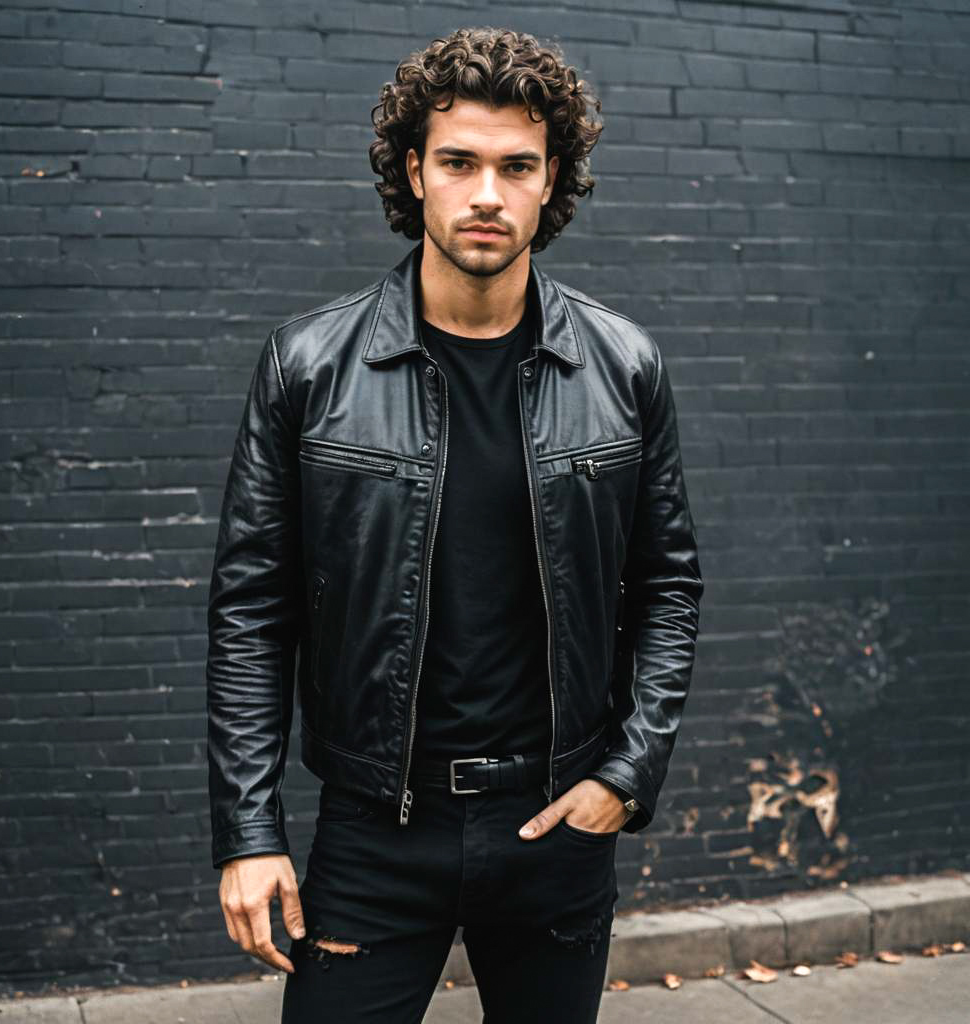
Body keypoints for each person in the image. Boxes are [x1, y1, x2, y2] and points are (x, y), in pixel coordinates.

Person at [206, 26, 703, 1024]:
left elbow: (667, 588)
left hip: (556, 822)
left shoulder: (621, 367)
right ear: (414, 172)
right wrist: (249, 832)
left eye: (517, 166)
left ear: (550, 178)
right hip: (376, 830)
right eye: (460, 163)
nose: (487, 193)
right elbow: (252, 612)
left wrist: (627, 773)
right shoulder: (308, 365)